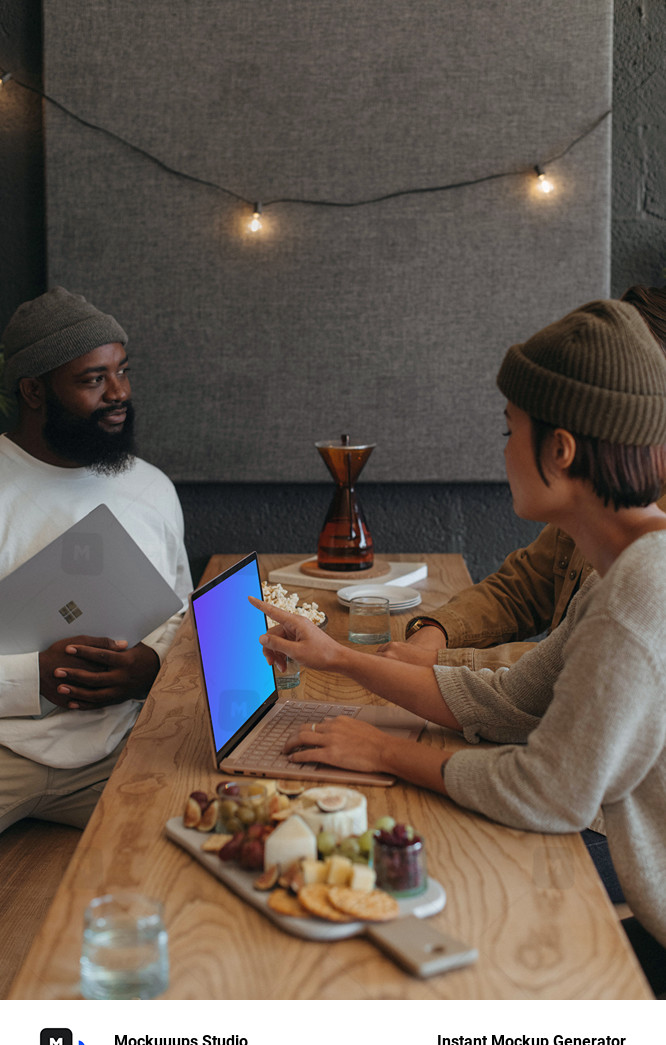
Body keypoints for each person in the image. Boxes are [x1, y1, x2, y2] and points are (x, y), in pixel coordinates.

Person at [251, 299, 666, 994]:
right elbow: (510, 701)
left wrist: (385, 752)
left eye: (509, 430)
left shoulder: (638, 596)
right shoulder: (621, 573)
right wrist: (339, 657)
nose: (502, 450)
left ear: (560, 449)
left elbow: (549, 794)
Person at [380, 285, 666, 674]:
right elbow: (526, 587)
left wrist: (437, 662)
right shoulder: (597, 500)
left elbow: (565, 673)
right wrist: (437, 631)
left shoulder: (646, 571)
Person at [0, 287, 192, 834]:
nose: (120, 393)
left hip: (120, 749)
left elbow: (178, 616)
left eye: (123, 371)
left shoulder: (149, 487)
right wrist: (29, 678)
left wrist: (149, 668)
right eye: (93, 379)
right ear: (34, 390)